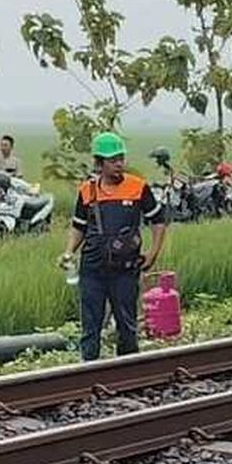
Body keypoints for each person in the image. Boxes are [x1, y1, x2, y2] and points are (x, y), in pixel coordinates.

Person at [59, 132, 167, 361]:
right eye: (113, 160)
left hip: (125, 269)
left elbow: (158, 220)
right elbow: (79, 226)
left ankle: (128, 371)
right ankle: (89, 370)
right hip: (92, 268)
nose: (119, 164)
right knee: (90, 326)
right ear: (100, 163)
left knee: (127, 326)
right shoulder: (87, 191)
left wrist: (153, 252)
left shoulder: (138, 187)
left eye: (121, 158)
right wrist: (69, 252)